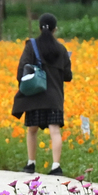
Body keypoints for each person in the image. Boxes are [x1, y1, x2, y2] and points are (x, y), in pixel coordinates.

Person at [11, 13, 73, 176]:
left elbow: (21, 69)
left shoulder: (31, 46)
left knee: (32, 129)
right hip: (54, 97)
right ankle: (56, 166)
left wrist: (23, 85)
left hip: (35, 96)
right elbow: (68, 76)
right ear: (55, 29)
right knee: (55, 131)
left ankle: (31, 164)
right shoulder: (61, 49)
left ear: (39, 28)